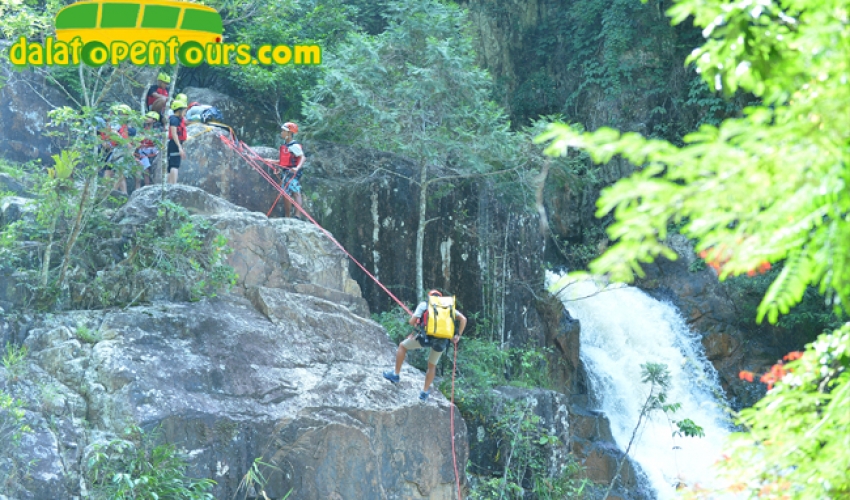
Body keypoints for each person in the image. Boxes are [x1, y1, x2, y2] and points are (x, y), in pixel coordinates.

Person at [383, 290, 467, 401]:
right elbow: (463, 319)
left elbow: (411, 322)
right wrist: (458, 335)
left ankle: (396, 374)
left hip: (426, 338)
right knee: (432, 365)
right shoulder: (448, 307)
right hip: (441, 340)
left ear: (430, 296)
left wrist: (418, 321)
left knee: (403, 346)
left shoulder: (425, 304)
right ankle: (424, 392)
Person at [103, 104, 136, 195]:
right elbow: (112, 133)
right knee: (110, 170)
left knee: (119, 172)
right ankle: (108, 192)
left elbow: (130, 144)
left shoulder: (128, 127)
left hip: (122, 151)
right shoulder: (117, 124)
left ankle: (112, 192)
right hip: (115, 149)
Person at [277, 122, 305, 218]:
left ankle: (297, 215)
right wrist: (269, 161)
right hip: (286, 172)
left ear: (289, 133)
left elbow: (302, 157)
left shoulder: (294, 146)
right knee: (286, 194)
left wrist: (297, 168)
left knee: (295, 192)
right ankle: (287, 215)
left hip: (293, 172)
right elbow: (283, 161)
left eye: (283, 131)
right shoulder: (286, 145)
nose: (281, 133)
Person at [134, 111, 162, 189]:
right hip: (143, 153)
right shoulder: (142, 130)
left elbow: (159, 143)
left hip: (154, 153)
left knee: (147, 171)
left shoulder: (158, 131)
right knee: (145, 170)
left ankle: (147, 187)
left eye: (149, 117)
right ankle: (144, 187)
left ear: (154, 120)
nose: (147, 119)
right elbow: (137, 142)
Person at [167, 99, 188, 185]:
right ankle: (173, 185)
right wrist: (179, 147)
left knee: (172, 164)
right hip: (174, 143)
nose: (185, 113)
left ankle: (169, 185)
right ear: (179, 110)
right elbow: (174, 134)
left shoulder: (177, 119)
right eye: (184, 111)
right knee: (174, 165)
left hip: (175, 143)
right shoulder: (174, 120)